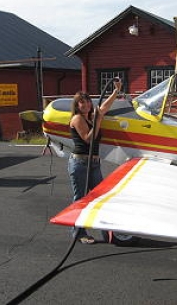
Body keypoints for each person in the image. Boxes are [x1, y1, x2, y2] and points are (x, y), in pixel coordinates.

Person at [68, 79, 122, 244]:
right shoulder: (78, 119)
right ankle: (78, 233)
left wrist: (116, 91)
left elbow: (104, 107)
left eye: (87, 102)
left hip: (94, 164)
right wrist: (98, 121)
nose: (85, 105)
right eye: (81, 103)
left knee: (100, 196)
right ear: (77, 106)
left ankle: (107, 232)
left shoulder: (92, 117)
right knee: (81, 198)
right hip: (80, 163)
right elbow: (88, 139)